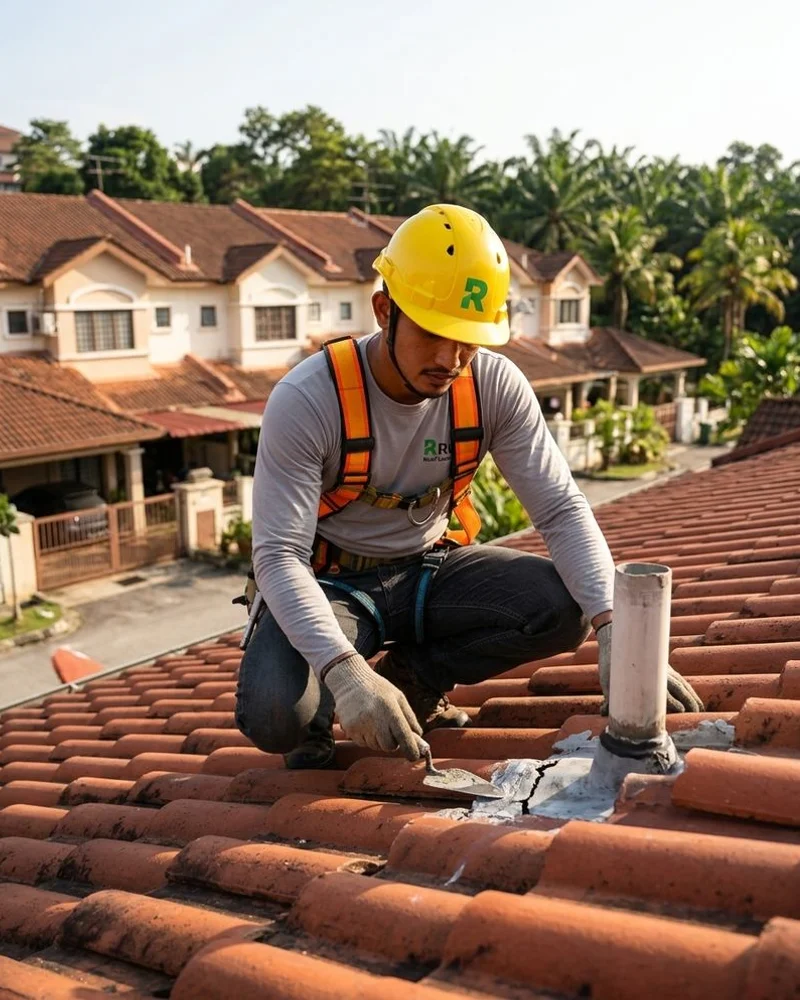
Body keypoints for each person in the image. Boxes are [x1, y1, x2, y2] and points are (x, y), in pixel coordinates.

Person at [235, 204, 703, 769]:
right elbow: (280, 555)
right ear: (386, 310)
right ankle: (321, 713)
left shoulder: (491, 387)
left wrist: (615, 631)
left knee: (564, 607)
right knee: (273, 716)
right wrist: (346, 673)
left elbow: (558, 509)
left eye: (468, 340)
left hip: (426, 572)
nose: (450, 359)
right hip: (333, 583)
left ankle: (414, 678)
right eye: (434, 333)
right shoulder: (311, 399)